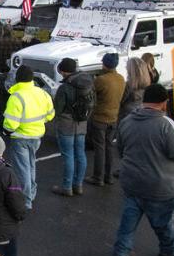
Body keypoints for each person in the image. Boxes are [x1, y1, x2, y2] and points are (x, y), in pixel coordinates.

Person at [113, 84, 174, 256]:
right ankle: (169, 251)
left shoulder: (126, 121)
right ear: (164, 103)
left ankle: (121, 251)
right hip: (160, 186)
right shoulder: (166, 124)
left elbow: (121, 149)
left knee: (128, 222)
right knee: (163, 224)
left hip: (132, 182)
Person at [2, 65, 54, 210]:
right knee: (30, 165)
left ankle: (26, 200)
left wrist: (6, 131)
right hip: (36, 136)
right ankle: (31, 192)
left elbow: (11, 123)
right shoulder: (42, 93)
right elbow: (50, 114)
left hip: (20, 137)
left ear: (18, 79)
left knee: (22, 169)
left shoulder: (16, 96)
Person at [51, 58, 95, 197]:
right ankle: (78, 185)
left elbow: (58, 109)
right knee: (80, 154)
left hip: (66, 124)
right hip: (82, 123)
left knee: (68, 155)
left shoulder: (65, 87)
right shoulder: (88, 82)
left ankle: (67, 186)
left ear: (63, 71)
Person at [86, 53, 126, 186]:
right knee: (109, 147)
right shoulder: (121, 79)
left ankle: (98, 177)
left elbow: (90, 93)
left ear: (105, 64)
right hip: (113, 117)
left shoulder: (101, 80)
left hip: (99, 118)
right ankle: (108, 176)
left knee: (99, 148)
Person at [119, 57, 151, 122]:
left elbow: (120, 101)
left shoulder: (128, 85)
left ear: (131, 70)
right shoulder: (147, 83)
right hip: (142, 112)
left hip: (127, 116)